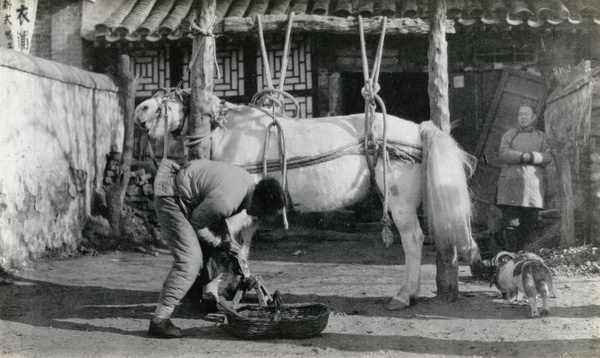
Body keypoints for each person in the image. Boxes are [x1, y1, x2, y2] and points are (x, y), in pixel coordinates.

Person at [149, 159, 286, 338]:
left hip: (187, 198)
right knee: (190, 260)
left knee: (218, 245)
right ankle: (160, 320)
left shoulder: (247, 183)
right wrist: (220, 244)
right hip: (172, 199)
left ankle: (206, 297)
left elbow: (217, 217)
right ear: (259, 203)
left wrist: (228, 241)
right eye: (262, 214)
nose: (257, 217)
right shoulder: (228, 200)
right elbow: (198, 223)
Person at [495, 105, 552, 252]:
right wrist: (521, 156)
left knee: (529, 225)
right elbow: (503, 153)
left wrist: (532, 156)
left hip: (532, 190)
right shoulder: (509, 135)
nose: (523, 117)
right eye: (520, 114)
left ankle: (523, 257)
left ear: (534, 117)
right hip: (511, 189)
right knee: (512, 225)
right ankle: (512, 257)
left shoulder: (542, 137)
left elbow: (548, 156)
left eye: (527, 114)